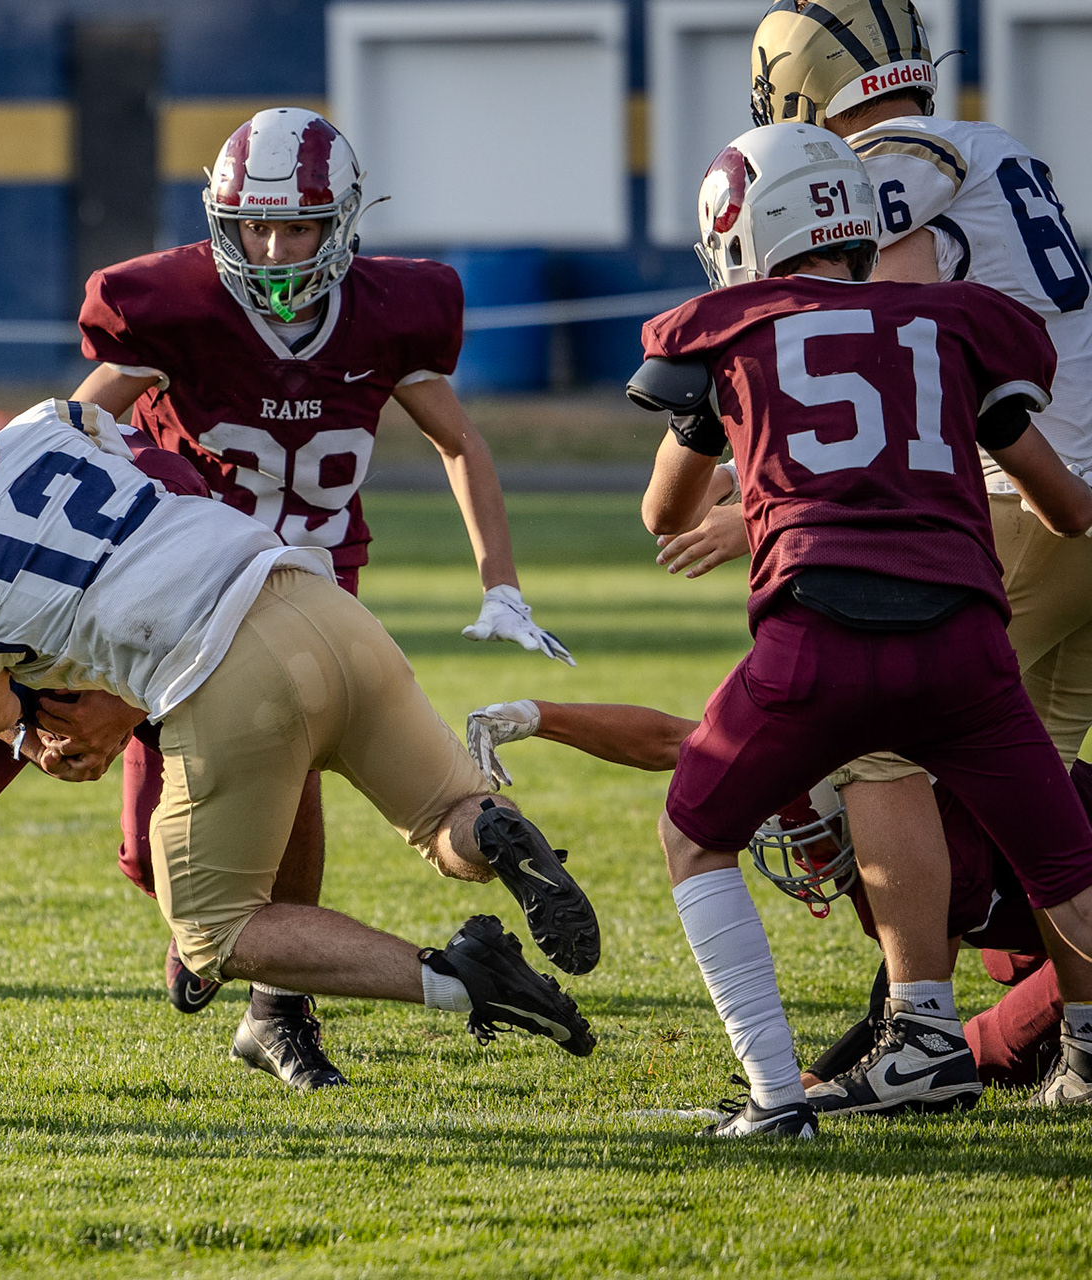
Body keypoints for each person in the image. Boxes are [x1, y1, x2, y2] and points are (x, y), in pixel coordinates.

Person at [0, 109, 575, 1097]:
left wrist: (113, 706)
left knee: (201, 854)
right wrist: (47, 724)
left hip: (158, 637)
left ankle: (273, 1005)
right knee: (102, 848)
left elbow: (140, 576)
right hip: (194, 607)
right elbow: (157, 478)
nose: (271, 248)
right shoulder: (52, 425)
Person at [57, 106, 573, 1088]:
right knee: (148, 855)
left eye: (298, 225)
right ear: (223, 219)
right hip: (178, 593)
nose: (275, 246)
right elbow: (76, 432)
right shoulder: (168, 304)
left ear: (342, 221)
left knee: (292, 782)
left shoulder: (390, 309)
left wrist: (501, 579)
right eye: (256, 225)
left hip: (311, 590)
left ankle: (279, 1005)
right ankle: (246, 942)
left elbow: (458, 439)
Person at [630, 120, 1092, 1136]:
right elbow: (1066, 508)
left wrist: (711, 422)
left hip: (816, 645)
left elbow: (663, 515)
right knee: (1068, 864)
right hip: (967, 645)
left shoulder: (731, 332)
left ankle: (774, 1096)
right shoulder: (956, 323)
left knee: (693, 833)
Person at [740, 0, 1092, 1112]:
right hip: (1077, 501)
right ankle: (1073, 1038)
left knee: (877, 741)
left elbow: (867, 338)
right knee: (1036, 793)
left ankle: (924, 1035)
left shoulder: (897, 168)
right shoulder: (993, 147)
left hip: (1023, 503)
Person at [465, 697, 1092, 1109]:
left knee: (983, 1049)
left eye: (819, 835)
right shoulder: (875, 777)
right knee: (1004, 963)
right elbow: (678, 741)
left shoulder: (923, 822)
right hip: (1050, 924)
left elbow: (903, 1022)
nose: (806, 854)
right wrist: (537, 715)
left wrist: (809, 1084)